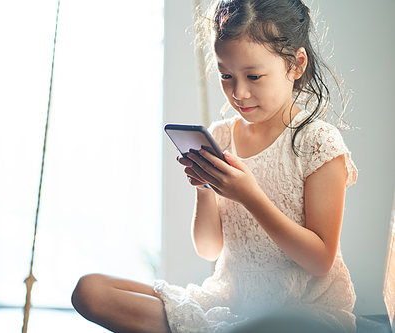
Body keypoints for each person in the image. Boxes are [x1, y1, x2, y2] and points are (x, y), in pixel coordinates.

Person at [71, 0, 357, 332]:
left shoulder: (318, 142)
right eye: (226, 75)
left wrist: (249, 195)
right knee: (90, 291)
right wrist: (205, 188)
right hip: (231, 298)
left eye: (253, 76)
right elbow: (208, 249)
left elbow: (320, 261)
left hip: (298, 312)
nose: (239, 92)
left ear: (295, 65)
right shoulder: (221, 135)